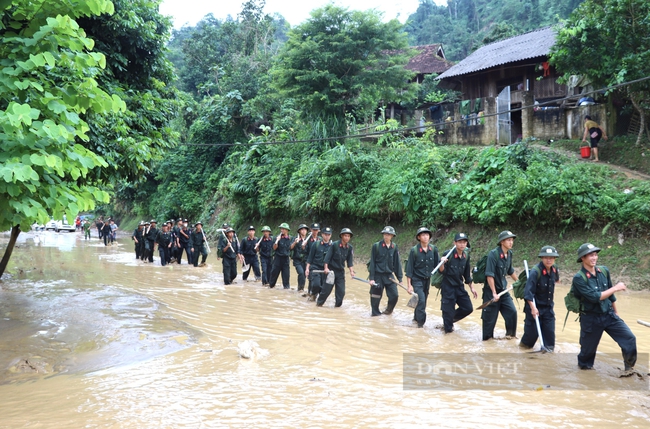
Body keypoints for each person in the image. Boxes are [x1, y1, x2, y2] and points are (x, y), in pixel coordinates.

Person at [571, 243, 636, 373]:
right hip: (591, 319)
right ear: (583, 258)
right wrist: (616, 288)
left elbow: (609, 294)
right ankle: (585, 376)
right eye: (591, 255)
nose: (594, 258)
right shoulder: (579, 278)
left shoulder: (604, 271)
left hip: (609, 315)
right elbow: (595, 297)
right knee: (587, 355)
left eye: (595, 255)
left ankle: (629, 369)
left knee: (629, 338)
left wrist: (616, 312)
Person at [520, 245, 559, 351]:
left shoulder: (554, 270)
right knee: (529, 341)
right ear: (542, 258)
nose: (549, 260)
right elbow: (528, 294)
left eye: (551, 258)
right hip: (534, 307)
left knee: (550, 341)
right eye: (546, 257)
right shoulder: (535, 272)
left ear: (554, 259)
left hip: (548, 309)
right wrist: (533, 308)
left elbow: (556, 281)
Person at [481, 230, 519, 341]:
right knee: (489, 322)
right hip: (491, 293)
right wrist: (493, 292)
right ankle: (488, 343)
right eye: (508, 240)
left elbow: (510, 270)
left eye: (512, 240)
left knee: (512, 312)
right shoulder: (493, 254)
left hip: (503, 291)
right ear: (502, 242)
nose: (511, 242)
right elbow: (489, 275)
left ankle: (510, 337)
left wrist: (519, 282)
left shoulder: (509, 254)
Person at [438, 232, 476, 333]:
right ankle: (447, 324)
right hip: (448, 288)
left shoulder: (466, 256)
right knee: (448, 330)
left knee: (468, 308)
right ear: (455, 243)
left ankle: (448, 320)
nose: (462, 244)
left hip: (459, 287)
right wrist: (441, 262)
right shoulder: (448, 254)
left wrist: (472, 287)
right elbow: (441, 271)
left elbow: (467, 275)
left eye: (464, 242)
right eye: (460, 242)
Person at [406, 227, 439, 328]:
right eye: (423, 235)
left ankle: (416, 319)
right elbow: (409, 269)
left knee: (423, 301)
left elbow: (438, 265)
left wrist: (443, 261)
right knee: (421, 300)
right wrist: (409, 285)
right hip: (417, 280)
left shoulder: (433, 249)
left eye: (427, 235)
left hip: (427, 280)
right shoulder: (414, 251)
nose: (425, 237)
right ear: (419, 237)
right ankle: (421, 325)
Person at [368, 226, 403, 317]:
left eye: (388, 234)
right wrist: (372, 278)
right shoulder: (376, 246)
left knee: (394, 295)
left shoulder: (394, 247)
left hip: (389, 276)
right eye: (385, 234)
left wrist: (400, 278)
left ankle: (388, 311)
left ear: (392, 236)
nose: (386, 236)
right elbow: (372, 263)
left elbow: (397, 263)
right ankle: (375, 315)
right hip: (378, 276)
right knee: (375, 297)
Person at [319, 228, 355, 307]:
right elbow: (327, 258)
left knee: (341, 293)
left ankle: (337, 308)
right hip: (331, 272)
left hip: (340, 272)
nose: (347, 238)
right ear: (341, 236)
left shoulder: (349, 248)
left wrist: (352, 272)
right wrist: (326, 268)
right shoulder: (334, 245)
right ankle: (318, 305)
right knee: (326, 292)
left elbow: (350, 262)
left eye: (348, 236)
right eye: (345, 236)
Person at [305, 226, 333, 302]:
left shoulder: (332, 246)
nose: (327, 236)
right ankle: (313, 294)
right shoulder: (316, 244)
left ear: (331, 235)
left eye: (328, 235)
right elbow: (310, 258)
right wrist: (307, 269)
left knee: (322, 289)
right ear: (322, 235)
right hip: (315, 268)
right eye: (325, 234)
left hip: (326, 270)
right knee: (316, 284)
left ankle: (318, 301)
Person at [269, 223, 292, 289]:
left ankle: (286, 289)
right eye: (281, 229)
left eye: (283, 229)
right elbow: (274, 248)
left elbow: (290, 247)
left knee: (286, 276)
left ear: (287, 230)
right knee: (274, 275)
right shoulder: (276, 237)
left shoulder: (290, 238)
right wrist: (277, 240)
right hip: (277, 259)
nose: (282, 230)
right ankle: (271, 287)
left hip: (286, 260)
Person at [302, 223, 322, 297]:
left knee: (316, 279)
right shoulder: (308, 239)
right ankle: (310, 292)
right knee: (310, 278)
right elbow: (304, 250)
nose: (315, 231)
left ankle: (314, 293)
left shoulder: (320, 239)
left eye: (316, 230)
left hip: (317, 261)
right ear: (311, 230)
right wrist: (304, 246)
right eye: (314, 230)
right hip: (309, 261)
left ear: (318, 230)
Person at [290, 224, 310, 292]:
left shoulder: (309, 239)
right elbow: (290, 248)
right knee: (301, 273)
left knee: (304, 275)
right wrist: (295, 242)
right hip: (297, 260)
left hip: (305, 260)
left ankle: (301, 289)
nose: (304, 231)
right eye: (302, 229)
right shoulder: (295, 238)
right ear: (299, 231)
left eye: (305, 229)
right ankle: (300, 289)